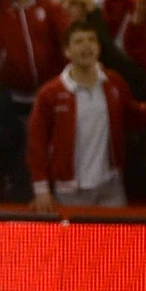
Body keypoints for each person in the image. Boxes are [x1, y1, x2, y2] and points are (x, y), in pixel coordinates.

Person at [28, 23, 134, 209]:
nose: (87, 46)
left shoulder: (113, 82)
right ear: (67, 51)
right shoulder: (50, 93)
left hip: (111, 186)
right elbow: (37, 142)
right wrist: (41, 188)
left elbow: (134, 115)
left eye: (91, 40)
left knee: (116, 238)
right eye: (79, 41)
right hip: (70, 192)